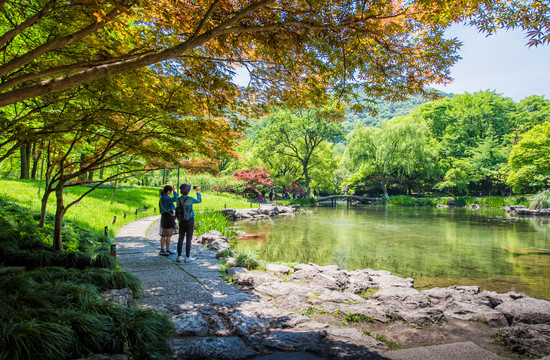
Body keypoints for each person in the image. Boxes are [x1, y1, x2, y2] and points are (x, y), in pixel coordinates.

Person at [176, 184, 202, 263]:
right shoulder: (190, 199)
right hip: (190, 219)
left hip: (181, 220)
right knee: (189, 238)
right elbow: (199, 200)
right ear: (188, 191)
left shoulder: (179, 199)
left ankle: (179, 256)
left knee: (180, 238)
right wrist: (197, 192)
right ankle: (187, 257)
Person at [158, 185, 178, 256]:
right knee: (168, 235)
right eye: (171, 191)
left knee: (164, 234)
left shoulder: (162, 197)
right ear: (168, 191)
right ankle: (165, 249)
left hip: (165, 217)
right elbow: (175, 199)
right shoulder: (165, 198)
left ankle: (164, 249)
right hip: (168, 217)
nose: (171, 192)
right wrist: (175, 191)